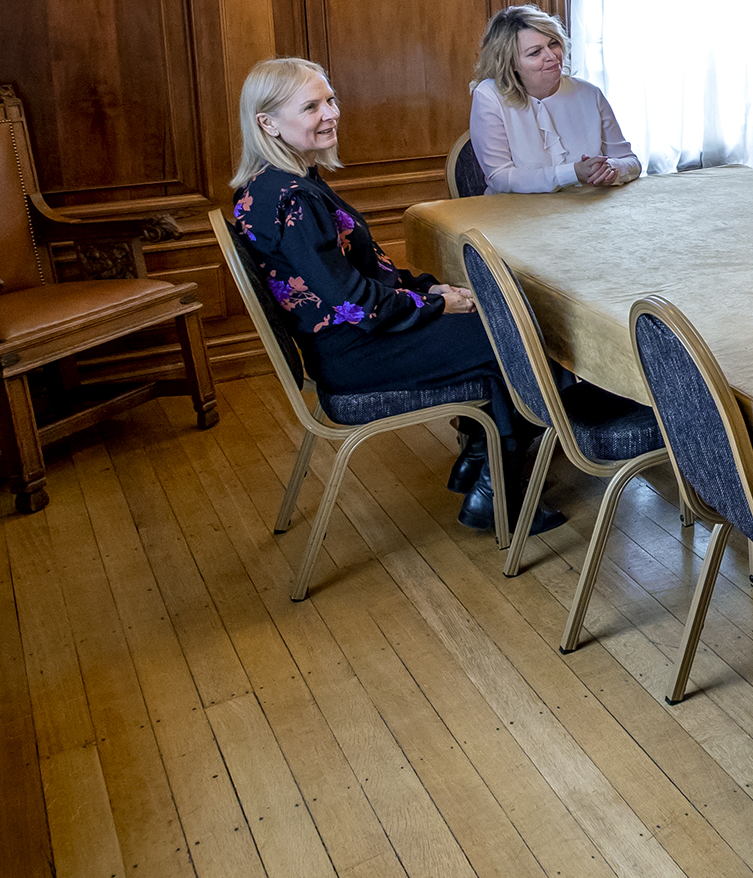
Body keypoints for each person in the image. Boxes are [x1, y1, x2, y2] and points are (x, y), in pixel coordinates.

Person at [230, 57, 562, 532]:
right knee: (520, 338)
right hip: (355, 352)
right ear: (268, 122)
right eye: (311, 107)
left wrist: (429, 288)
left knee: (501, 317)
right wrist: (437, 304)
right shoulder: (294, 200)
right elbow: (356, 302)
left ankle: (477, 455)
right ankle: (496, 490)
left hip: (351, 338)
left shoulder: (274, 183)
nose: (331, 113)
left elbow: (364, 274)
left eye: (330, 99)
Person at [468, 5, 640, 194]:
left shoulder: (590, 93)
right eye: (535, 52)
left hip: (586, 213)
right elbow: (500, 178)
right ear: (511, 63)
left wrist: (613, 168)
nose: (552, 57)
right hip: (514, 215)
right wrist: (572, 173)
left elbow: (631, 162)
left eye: (553, 44)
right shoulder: (489, 95)